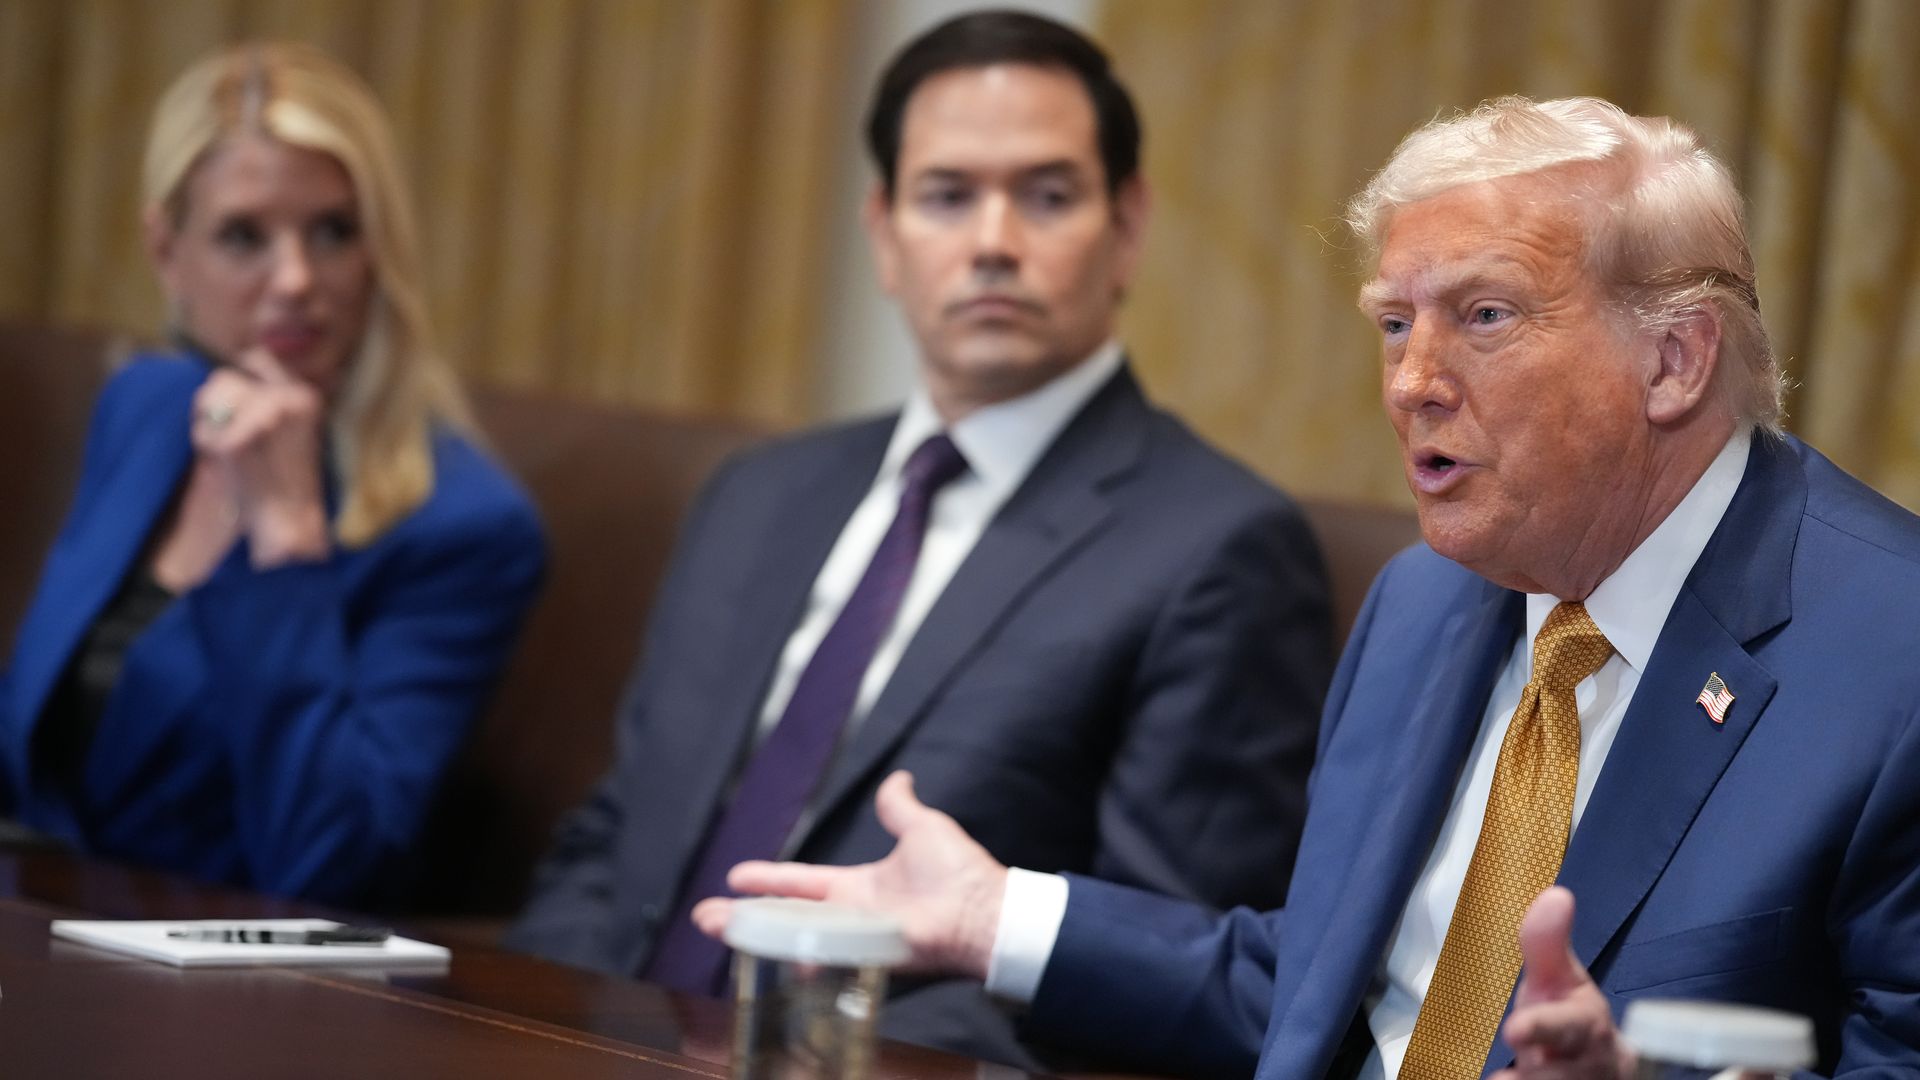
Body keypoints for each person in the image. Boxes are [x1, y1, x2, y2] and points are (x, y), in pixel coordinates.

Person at [693, 95, 1920, 1078]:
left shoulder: (1892, 658)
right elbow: (1321, 994)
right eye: (1395, 325)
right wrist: (993, 917)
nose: (1412, 383)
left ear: (1674, 358)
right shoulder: (1426, 603)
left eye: (1483, 316)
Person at [504, 9, 1331, 1068]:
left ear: (1127, 228)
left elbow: (1156, 966)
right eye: (947, 196)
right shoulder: (759, 495)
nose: (994, 241)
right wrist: (537, 1026)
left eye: (1048, 195)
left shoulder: (1219, 549)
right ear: (885, 235)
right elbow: (618, 839)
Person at [0, 43, 546, 907]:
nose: (295, 281)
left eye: (333, 231)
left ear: (381, 251)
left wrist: (287, 536)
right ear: (167, 250)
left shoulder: (463, 526)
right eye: (243, 236)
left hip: (228, 997)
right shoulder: (149, 405)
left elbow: (333, 865)